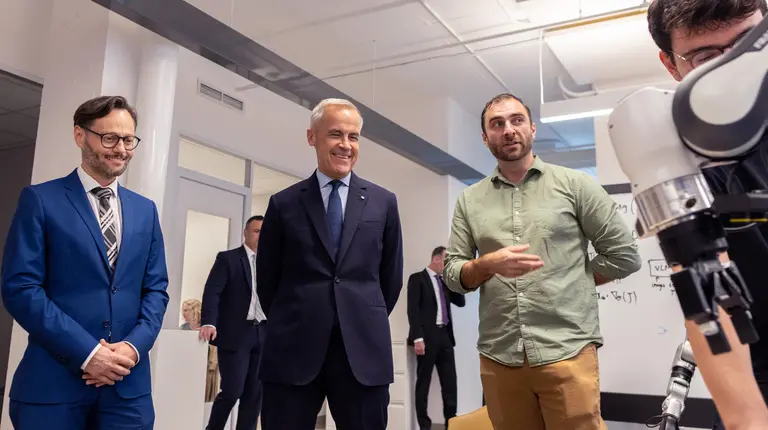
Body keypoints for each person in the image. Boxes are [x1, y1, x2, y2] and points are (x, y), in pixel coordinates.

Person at [443, 93, 642, 430]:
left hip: (567, 349)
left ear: (532, 128)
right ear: (485, 138)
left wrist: (573, 279)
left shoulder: (576, 185)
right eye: (497, 124)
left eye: (517, 120)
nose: (508, 129)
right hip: (500, 356)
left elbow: (624, 255)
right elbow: (452, 274)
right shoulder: (469, 200)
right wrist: (486, 265)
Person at [0, 95, 169, 429]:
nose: (121, 149)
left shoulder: (145, 210)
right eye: (110, 138)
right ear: (80, 135)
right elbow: (21, 288)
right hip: (53, 386)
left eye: (128, 140)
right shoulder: (41, 200)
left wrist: (133, 348)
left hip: (127, 389)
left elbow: (156, 289)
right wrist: (88, 353)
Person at [647, 1, 768, 428]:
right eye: (706, 57)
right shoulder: (677, 156)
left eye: (750, 43)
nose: (736, 68)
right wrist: (747, 419)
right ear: (672, 65)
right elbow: (705, 285)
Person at [256, 98, 404, 430]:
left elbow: (390, 278)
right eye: (336, 134)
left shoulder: (383, 203)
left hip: (362, 352)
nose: (345, 145)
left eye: (353, 137)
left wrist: (359, 313)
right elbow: (267, 280)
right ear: (312, 137)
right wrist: (295, 316)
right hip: (293, 350)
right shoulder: (283, 204)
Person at [199, 215, 267, 430]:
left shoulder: (271, 263)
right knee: (232, 391)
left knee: (254, 395)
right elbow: (213, 291)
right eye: (256, 231)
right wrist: (209, 321)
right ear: (245, 233)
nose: (261, 236)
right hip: (236, 334)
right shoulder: (228, 259)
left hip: (263, 333)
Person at [407, 246, 466, 430]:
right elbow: (413, 310)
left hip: (445, 337)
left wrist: (453, 280)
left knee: (450, 383)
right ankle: (424, 426)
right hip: (426, 338)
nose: (447, 265)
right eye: (445, 261)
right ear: (436, 259)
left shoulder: (445, 282)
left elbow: (461, 302)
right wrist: (417, 338)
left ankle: (451, 423)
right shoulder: (417, 279)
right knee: (423, 383)